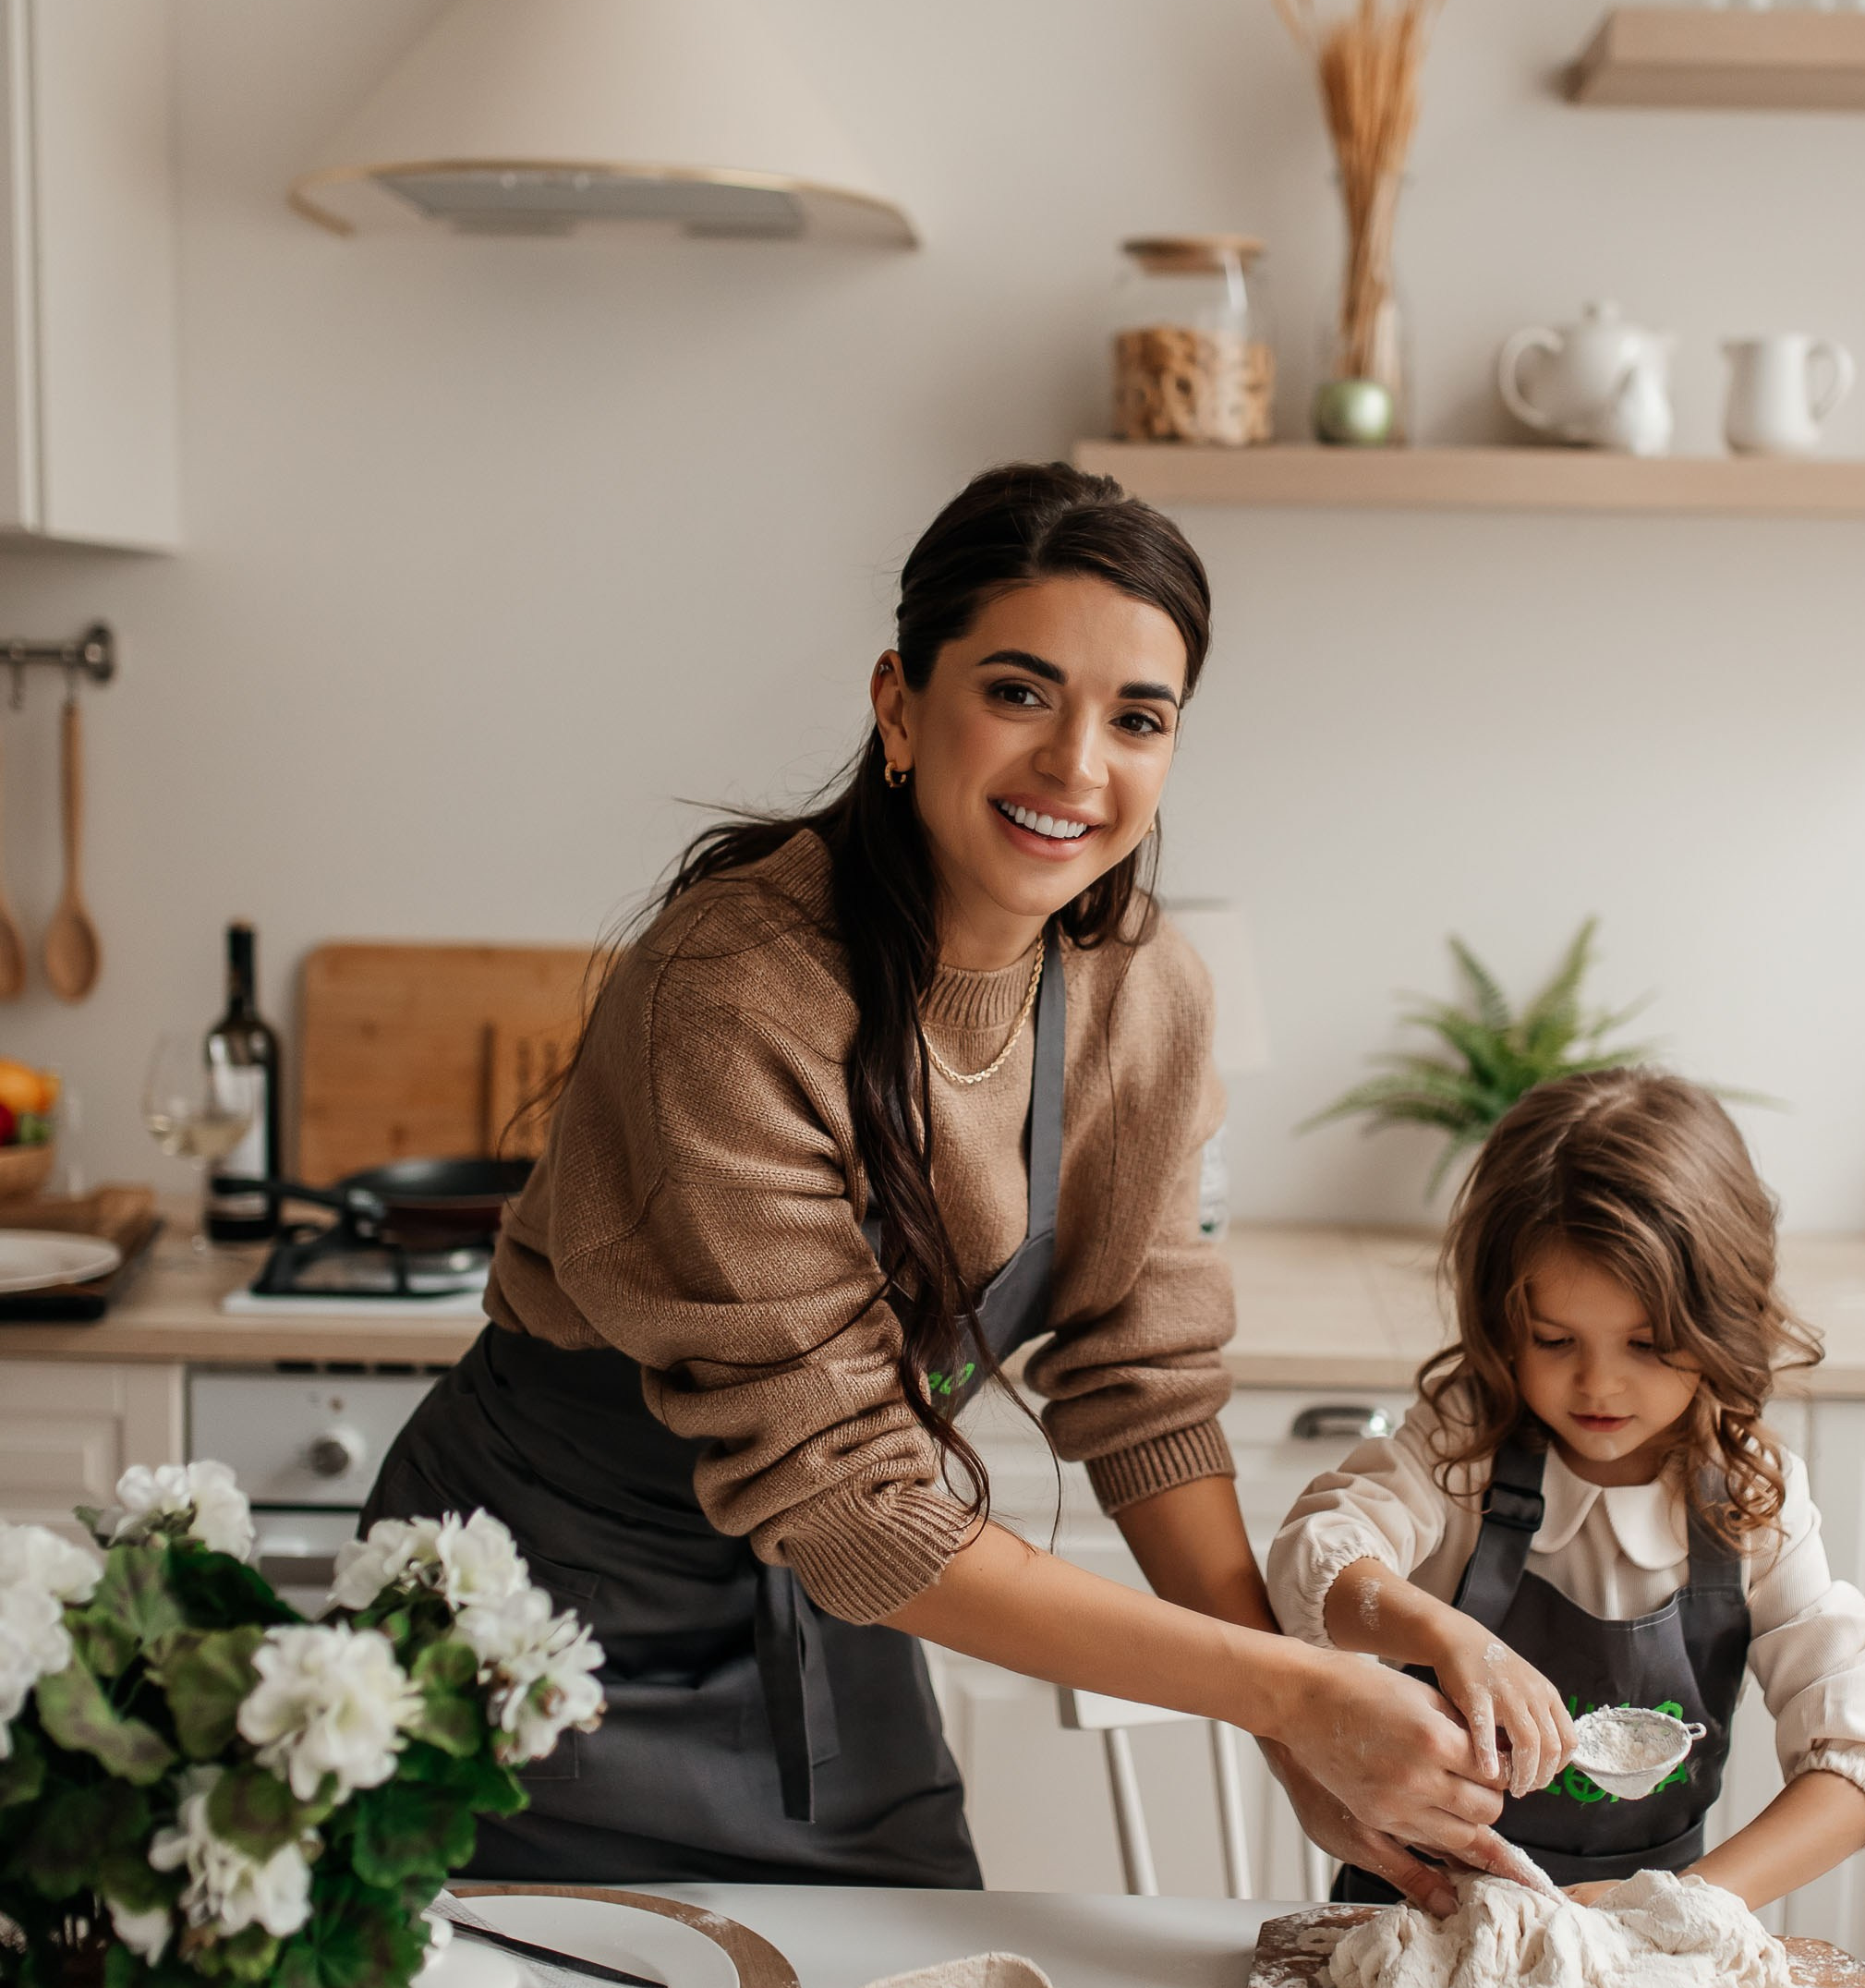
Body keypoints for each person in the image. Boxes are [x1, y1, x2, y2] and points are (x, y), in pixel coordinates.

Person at [363, 461, 1512, 1901]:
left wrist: (1299, 1730)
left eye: (1138, 719)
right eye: (1020, 692)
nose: (1078, 767)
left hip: (823, 1604)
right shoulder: (736, 992)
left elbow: (1142, 1391)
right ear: (900, 705)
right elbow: (850, 1501)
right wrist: (1285, 1698)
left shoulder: (1144, 995)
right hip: (536, 1612)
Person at [1265, 1069, 1865, 1905]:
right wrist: (1448, 1637)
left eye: (1647, 1344)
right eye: (1554, 1339)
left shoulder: (1750, 1499)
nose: (1598, 1386)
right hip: (1419, 1919)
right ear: (1502, 1325)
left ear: (1722, 1320)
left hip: (1644, 1953)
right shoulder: (1462, 1450)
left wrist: (1671, 1905)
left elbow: (1858, 1763)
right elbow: (1315, 1560)